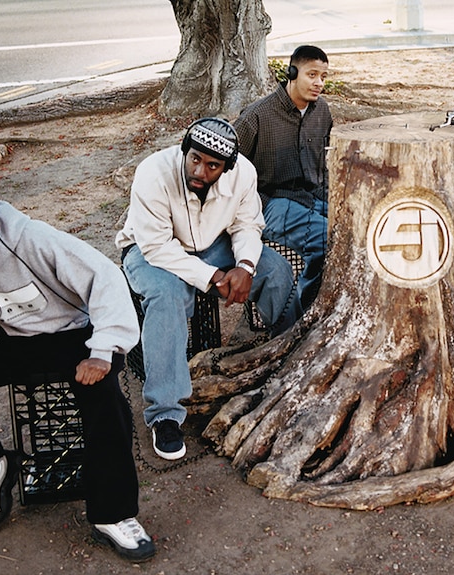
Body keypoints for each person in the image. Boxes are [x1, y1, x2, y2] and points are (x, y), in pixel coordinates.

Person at [0, 188, 155, 561]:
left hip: (76, 335)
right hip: (13, 339)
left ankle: (113, 515)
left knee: (105, 403)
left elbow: (105, 277)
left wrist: (102, 352)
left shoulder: (31, 239)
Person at [116, 117, 299, 461]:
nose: (200, 171)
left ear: (227, 168)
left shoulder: (243, 173)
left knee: (275, 270)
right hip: (149, 249)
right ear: (185, 151)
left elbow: (247, 224)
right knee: (166, 296)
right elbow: (155, 246)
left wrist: (244, 266)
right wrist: (215, 276)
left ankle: (289, 362)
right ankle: (165, 414)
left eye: (212, 165)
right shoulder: (152, 173)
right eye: (195, 159)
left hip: (212, 243)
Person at [233, 44, 332, 311]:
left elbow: (323, 166)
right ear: (291, 73)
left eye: (323, 77)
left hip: (313, 194)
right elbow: (227, 166)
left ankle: (317, 304)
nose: (318, 83)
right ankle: (307, 313)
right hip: (271, 201)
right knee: (326, 238)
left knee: (352, 227)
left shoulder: (322, 112)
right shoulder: (256, 116)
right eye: (312, 75)